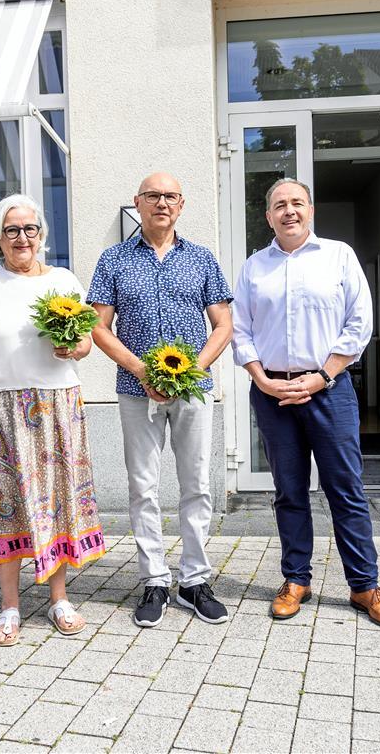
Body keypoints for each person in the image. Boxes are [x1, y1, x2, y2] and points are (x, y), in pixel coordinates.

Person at [231, 177, 380, 629]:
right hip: (274, 394)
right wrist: (262, 380)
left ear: (310, 210)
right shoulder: (254, 267)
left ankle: (365, 586)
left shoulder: (339, 256)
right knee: (289, 492)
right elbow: (240, 330)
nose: (289, 211)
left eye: (297, 203)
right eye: (279, 205)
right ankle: (295, 580)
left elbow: (358, 323)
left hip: (330, 389)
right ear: (268, 216)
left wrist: (324, 374)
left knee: (345, 490)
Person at [0, 194, 106, 647]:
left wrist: (74, 348)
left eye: (30, 229)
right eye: (11, 230)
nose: (22, 238)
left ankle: (59, 598)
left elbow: (86, 341)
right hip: (1, 410)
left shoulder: (63, 280)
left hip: (59, 405)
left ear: (41, 235)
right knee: (9, 505)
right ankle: (10, 606)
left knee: (57, 499)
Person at [87, 172, 234, 628]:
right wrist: (141, 370)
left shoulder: (202, 259)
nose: (162, 203)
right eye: (153, 196)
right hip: (136, 392)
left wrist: (192, 370)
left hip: (193, 391)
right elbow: (97, 327)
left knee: (197, 485)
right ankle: (154, 580)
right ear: (138, 202)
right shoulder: (113, 259)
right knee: (143, 488)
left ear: (181, 204)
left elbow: (223, 325)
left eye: (170, 196)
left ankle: (194, 580)